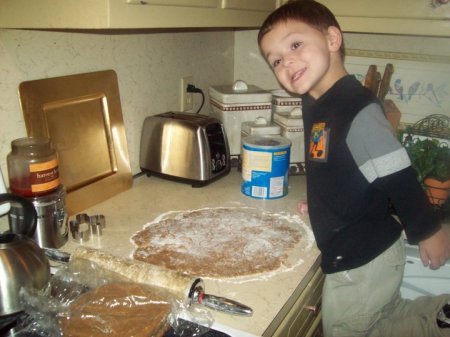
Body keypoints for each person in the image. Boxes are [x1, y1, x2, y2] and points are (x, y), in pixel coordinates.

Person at [257, 1, 450, 336]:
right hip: (367, 247)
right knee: (386, 317)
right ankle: (440, 315)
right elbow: (331, 161)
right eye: (275, 60)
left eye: (295, 44)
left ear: (332, 39)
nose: (285, 61)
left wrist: (428, 230)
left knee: (349, 330)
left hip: (362, 257)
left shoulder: (354, 108)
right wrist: (322, 203)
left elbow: (397, 173)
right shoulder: (317, 101)